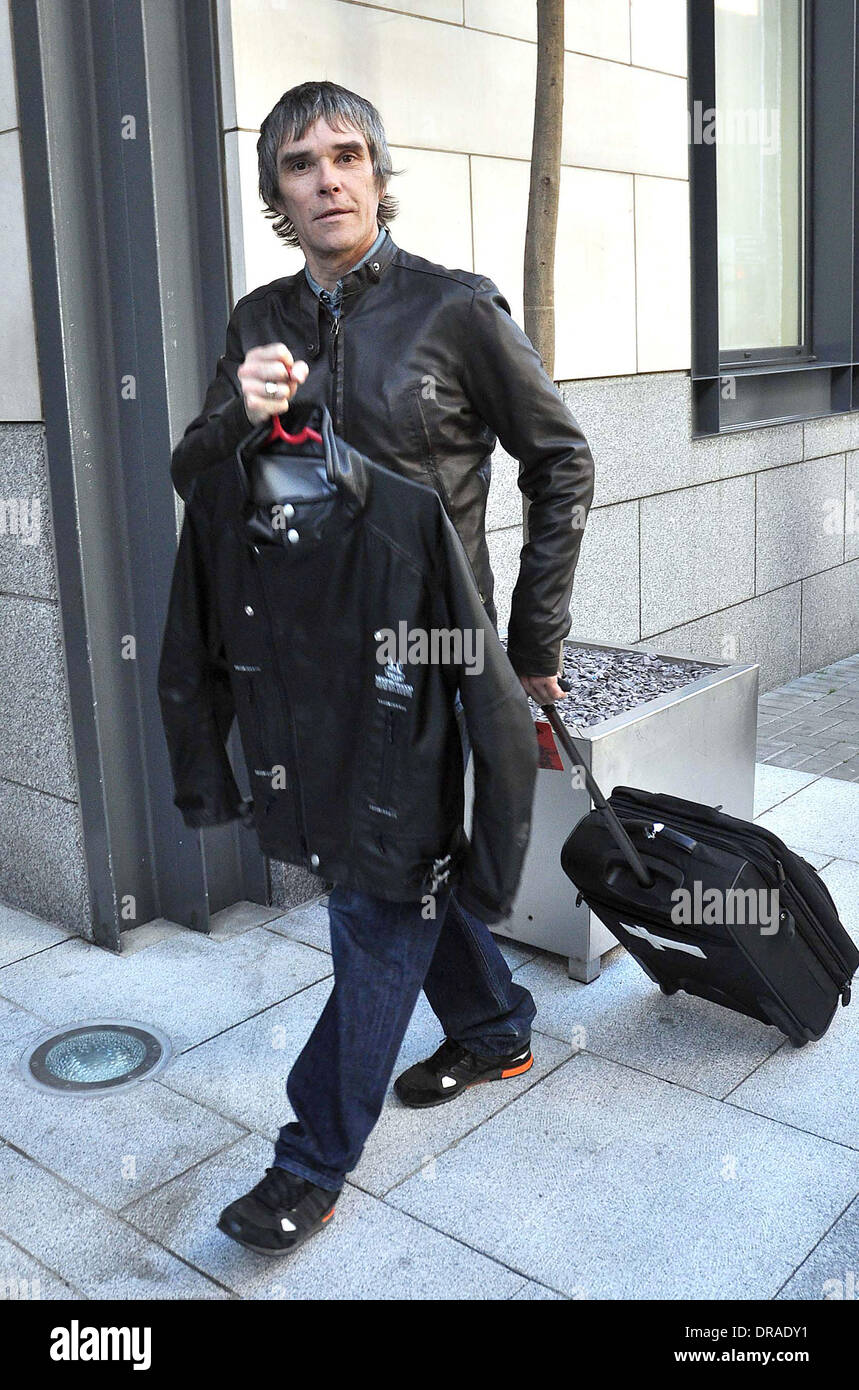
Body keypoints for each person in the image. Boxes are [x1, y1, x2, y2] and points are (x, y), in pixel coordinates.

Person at [169, 80, 595, 1256]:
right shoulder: (257, 318)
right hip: (305, 666)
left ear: (378, 170)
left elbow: (560, 461)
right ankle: (497, 1023)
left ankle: (308, 1159)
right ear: (276, 194)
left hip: (433, 661)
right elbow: (195, 484)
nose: (327, 179)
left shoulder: (452, 309)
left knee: (370, 901)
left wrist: (532, 645)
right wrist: (233, 424)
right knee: (397, 874)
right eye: (299, 164)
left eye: (347, 155)